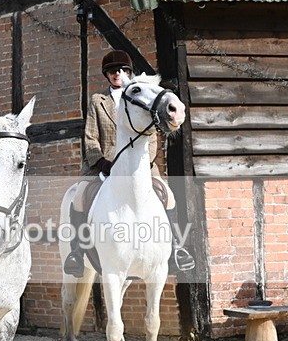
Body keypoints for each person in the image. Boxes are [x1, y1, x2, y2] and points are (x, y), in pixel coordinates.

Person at [62, 49, 195, 277]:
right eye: (113, 71)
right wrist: (103, 162)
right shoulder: (98, 101)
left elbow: (152, 135)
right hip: (102, 164)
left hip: (140, 165)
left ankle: (177, 248)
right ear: (107, 75)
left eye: (123, 70)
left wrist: (147, 161)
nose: (118, 74)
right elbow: (91, 138)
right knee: (79, 197)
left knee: (168, 194)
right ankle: (77, 251)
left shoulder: (142, 96)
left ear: (129, 72)